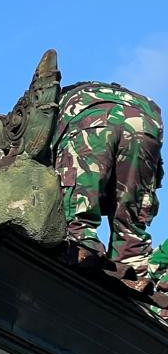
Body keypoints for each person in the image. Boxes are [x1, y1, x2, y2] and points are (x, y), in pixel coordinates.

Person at [51, 81, 163, 277]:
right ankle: (133, 262)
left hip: (91, 114)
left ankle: (81, 242)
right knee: (132, 215)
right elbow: (152, 179)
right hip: (146, 123)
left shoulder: (60, 102)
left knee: (79, 206)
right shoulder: (132, 99)